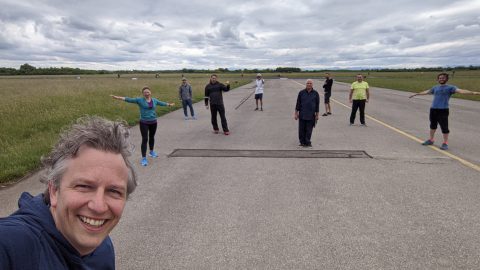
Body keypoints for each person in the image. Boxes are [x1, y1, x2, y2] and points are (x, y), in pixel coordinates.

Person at [0, 116, 138, 270]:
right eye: (84, 186)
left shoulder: (102, 246)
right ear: (53, 191)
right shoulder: (12, 244)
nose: (99, 207)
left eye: (114, 191)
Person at [409, 72, 480, 150]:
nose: (441, 79)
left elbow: (461, 91)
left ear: (446, 79)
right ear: (438, 79)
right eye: (440, 78)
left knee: (444, 127)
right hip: (433, 109)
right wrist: (416, 94)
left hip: (443, 110)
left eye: (443, 78)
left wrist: (473, 92)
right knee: (432, 126)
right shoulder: (435, 87)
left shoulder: (451, 87)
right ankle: (431, 140)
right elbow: (427, 91)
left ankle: (445, 143)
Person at [111, 86, 174, 166]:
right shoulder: (139, 100)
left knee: (152, 137)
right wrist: (117, 97)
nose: (146, 93)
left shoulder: (154, 100)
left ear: (150, 92)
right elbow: (129, 99)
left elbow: (162, 103)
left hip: (153, 121)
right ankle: (144, 158)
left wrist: (169, 104)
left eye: (148, 92)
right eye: (145, 92)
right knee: (145, 139)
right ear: (143, 94)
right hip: (144, 122)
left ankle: (151, 152)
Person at [294, 79, 320, 147]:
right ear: (306, 84)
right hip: (302, 114)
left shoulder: (315, 93)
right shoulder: (301, 93)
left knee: (309, 130)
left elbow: (317, 105)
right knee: (301, 129)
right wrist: (296, 113)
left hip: (311, 115)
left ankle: (308, 142)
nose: (309, 84)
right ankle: (302, 142)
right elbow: (298, 104)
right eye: (308, 83)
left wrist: (317, 115)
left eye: (310, 83)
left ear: (312, 85)